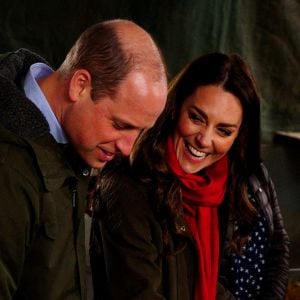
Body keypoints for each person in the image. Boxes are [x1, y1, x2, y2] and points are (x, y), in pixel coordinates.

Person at [89, 52, 290, 300]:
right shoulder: (127, 187)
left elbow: (196, 280)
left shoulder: (210, 189)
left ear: (239, 136)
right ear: (174, 107)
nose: (204, 140)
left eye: (223, 131)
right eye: (196, 118)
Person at [0, 19, 167, 300]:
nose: (128, 148)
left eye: (140, 131)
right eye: (121, 125)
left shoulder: (68, 141)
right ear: (80, 86)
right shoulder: (9, 164)